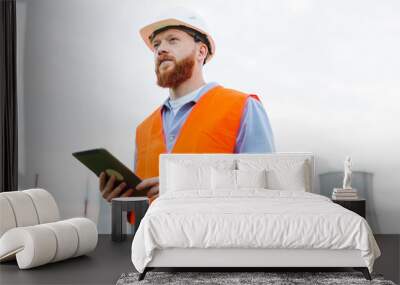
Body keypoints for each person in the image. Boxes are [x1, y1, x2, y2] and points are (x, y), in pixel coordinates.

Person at [99, 8, 276, 224]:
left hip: (217, 248)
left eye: (172, 40)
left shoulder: (243, 107)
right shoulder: (143, 129)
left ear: (201, 52)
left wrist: (184, 187)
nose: (161, 49)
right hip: (154, 251)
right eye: (156, 45)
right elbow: (139, 215)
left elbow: (264, 189)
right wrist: (123, 200)